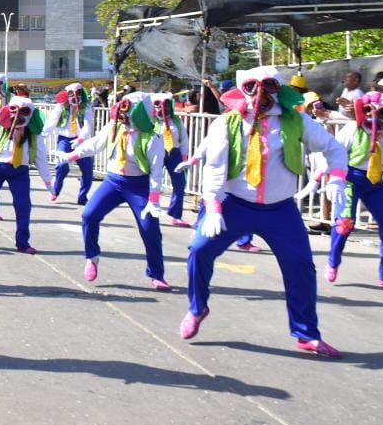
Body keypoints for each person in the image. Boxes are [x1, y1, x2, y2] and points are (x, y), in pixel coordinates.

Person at [182, 66, 349, 359]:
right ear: (241, 90)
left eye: (269, 85)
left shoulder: (296, 120)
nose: (260, 93)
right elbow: (214, 167)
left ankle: (306, 334)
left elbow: (334, 147)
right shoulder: (227, 123)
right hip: (235, 204)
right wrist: (212, 206)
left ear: (278, 88)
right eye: (251, 87)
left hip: (280, 209)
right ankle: (197, 308)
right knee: (200, 249)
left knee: (300, 267)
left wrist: (336, 176)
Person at [56, 92, 169, 290]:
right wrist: (70, 156)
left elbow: (156, 171)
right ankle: (92, 257)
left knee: (149, 228)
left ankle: (156, 274)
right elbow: (94, 145)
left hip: (139, 186)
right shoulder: (113, 128)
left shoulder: (152, 138)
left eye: (129, 107)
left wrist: (154, 199)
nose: (123, 112)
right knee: (89, 215)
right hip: (114, 182)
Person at [326, 92, 383, 289]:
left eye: (382, 112)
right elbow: (336, 154)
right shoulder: (353, 129)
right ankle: (333, 260)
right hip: (351, 179)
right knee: (344, 223)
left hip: (375, 183)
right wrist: (335, 179)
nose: (374, 115)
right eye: (368, 110)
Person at [0, 93, 51, 253]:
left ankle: (22, 242)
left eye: (24, 112)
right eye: (14, 110)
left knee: (23, 206)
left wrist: (48, 181)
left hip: (19, 172)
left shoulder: (34, 133)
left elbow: (41, 157)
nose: (18, 115)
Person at [47, 83, 95, 205]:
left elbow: (88, 124)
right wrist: (42, 133)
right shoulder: (61, 106)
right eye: (71, 93)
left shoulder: (86, 107)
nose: (75, 96)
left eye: (78, 93)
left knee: (87, 171)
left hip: (81, 141)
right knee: (61, 166)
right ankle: (55, 192)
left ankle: (82, 197)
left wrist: (80, 139)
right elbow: (52, 121)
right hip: (65, 139)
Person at [152, 93, 191, 227]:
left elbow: (184, 139)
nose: (164, 108)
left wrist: (184, 158)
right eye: (160, 104)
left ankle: (176, 215)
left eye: (167, 104)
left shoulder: (177, 121)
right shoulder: (151, 121)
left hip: (174, 153)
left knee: (180, 183)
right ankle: (151, 210)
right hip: (157, 153)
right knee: (153, 183)